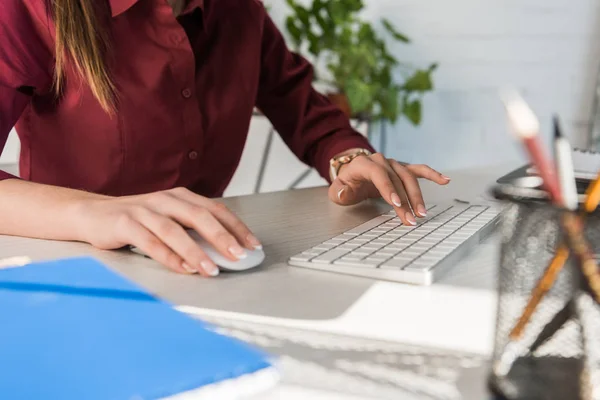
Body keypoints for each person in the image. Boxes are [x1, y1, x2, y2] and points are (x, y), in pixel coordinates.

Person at [0, 0, 450, 278]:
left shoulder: (238, 9)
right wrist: (96, 213)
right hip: (73, 269)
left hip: (208, 267)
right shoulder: (32, 8)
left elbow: (295, 99)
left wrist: (347, 156)